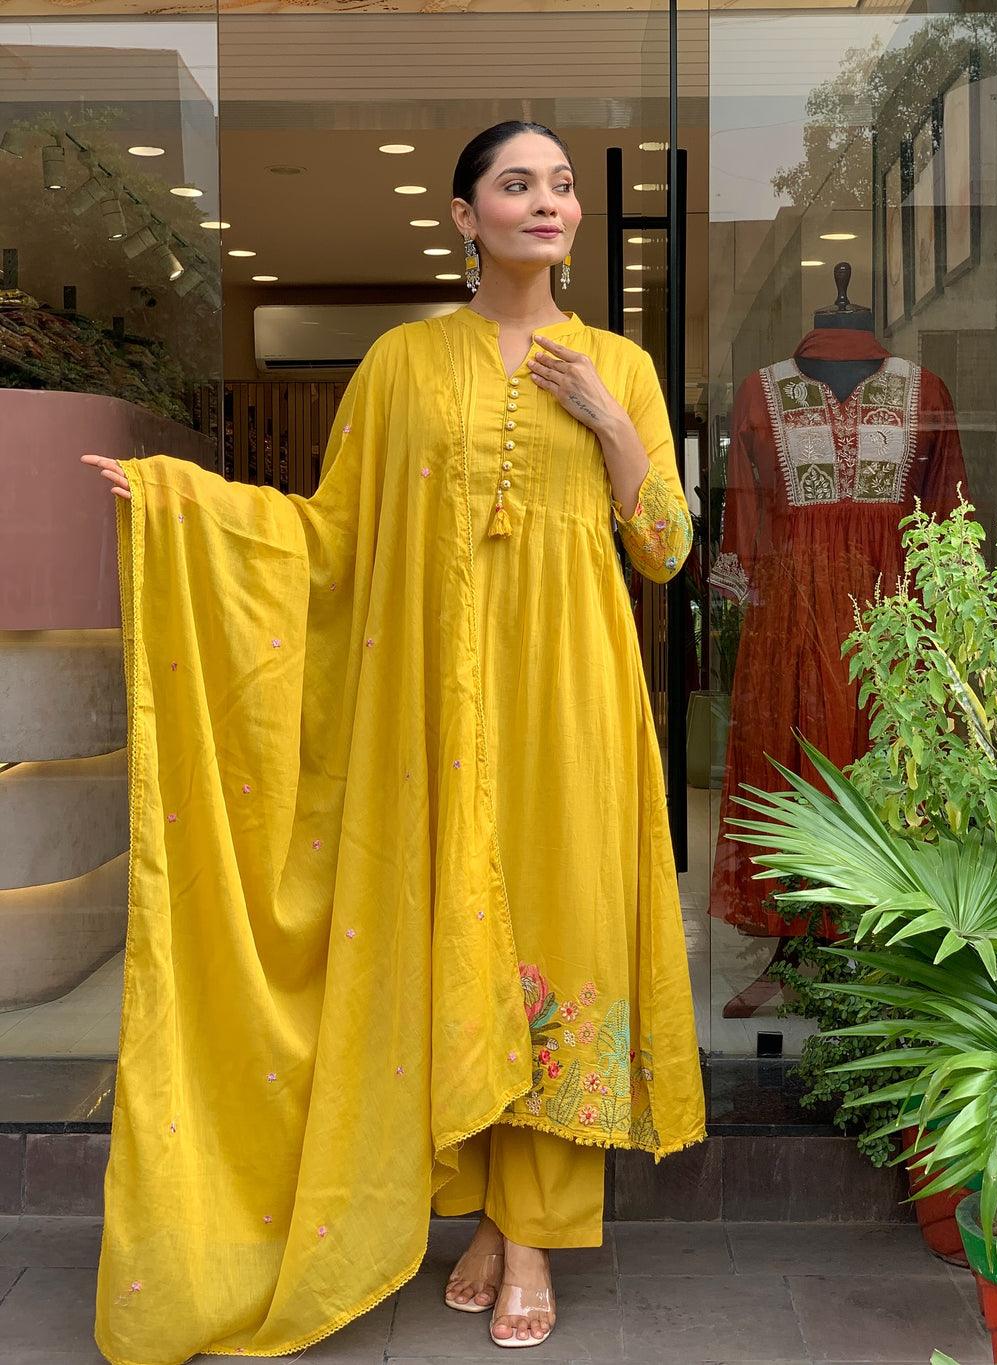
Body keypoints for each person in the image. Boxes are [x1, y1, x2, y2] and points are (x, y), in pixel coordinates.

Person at [82, 121, 704, 1363]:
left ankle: (528, 1231)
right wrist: (184, 501)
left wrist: (607, 419)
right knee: (454, 941)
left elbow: (666, 548)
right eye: (516, 185)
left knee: (558, 939)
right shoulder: (404, 365)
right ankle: (483, 1216)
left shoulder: (618, 365)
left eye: (563, 186)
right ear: (465, 217)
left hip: (573, 703)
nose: (548, 203)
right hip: (439, 707)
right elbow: (332, 539)